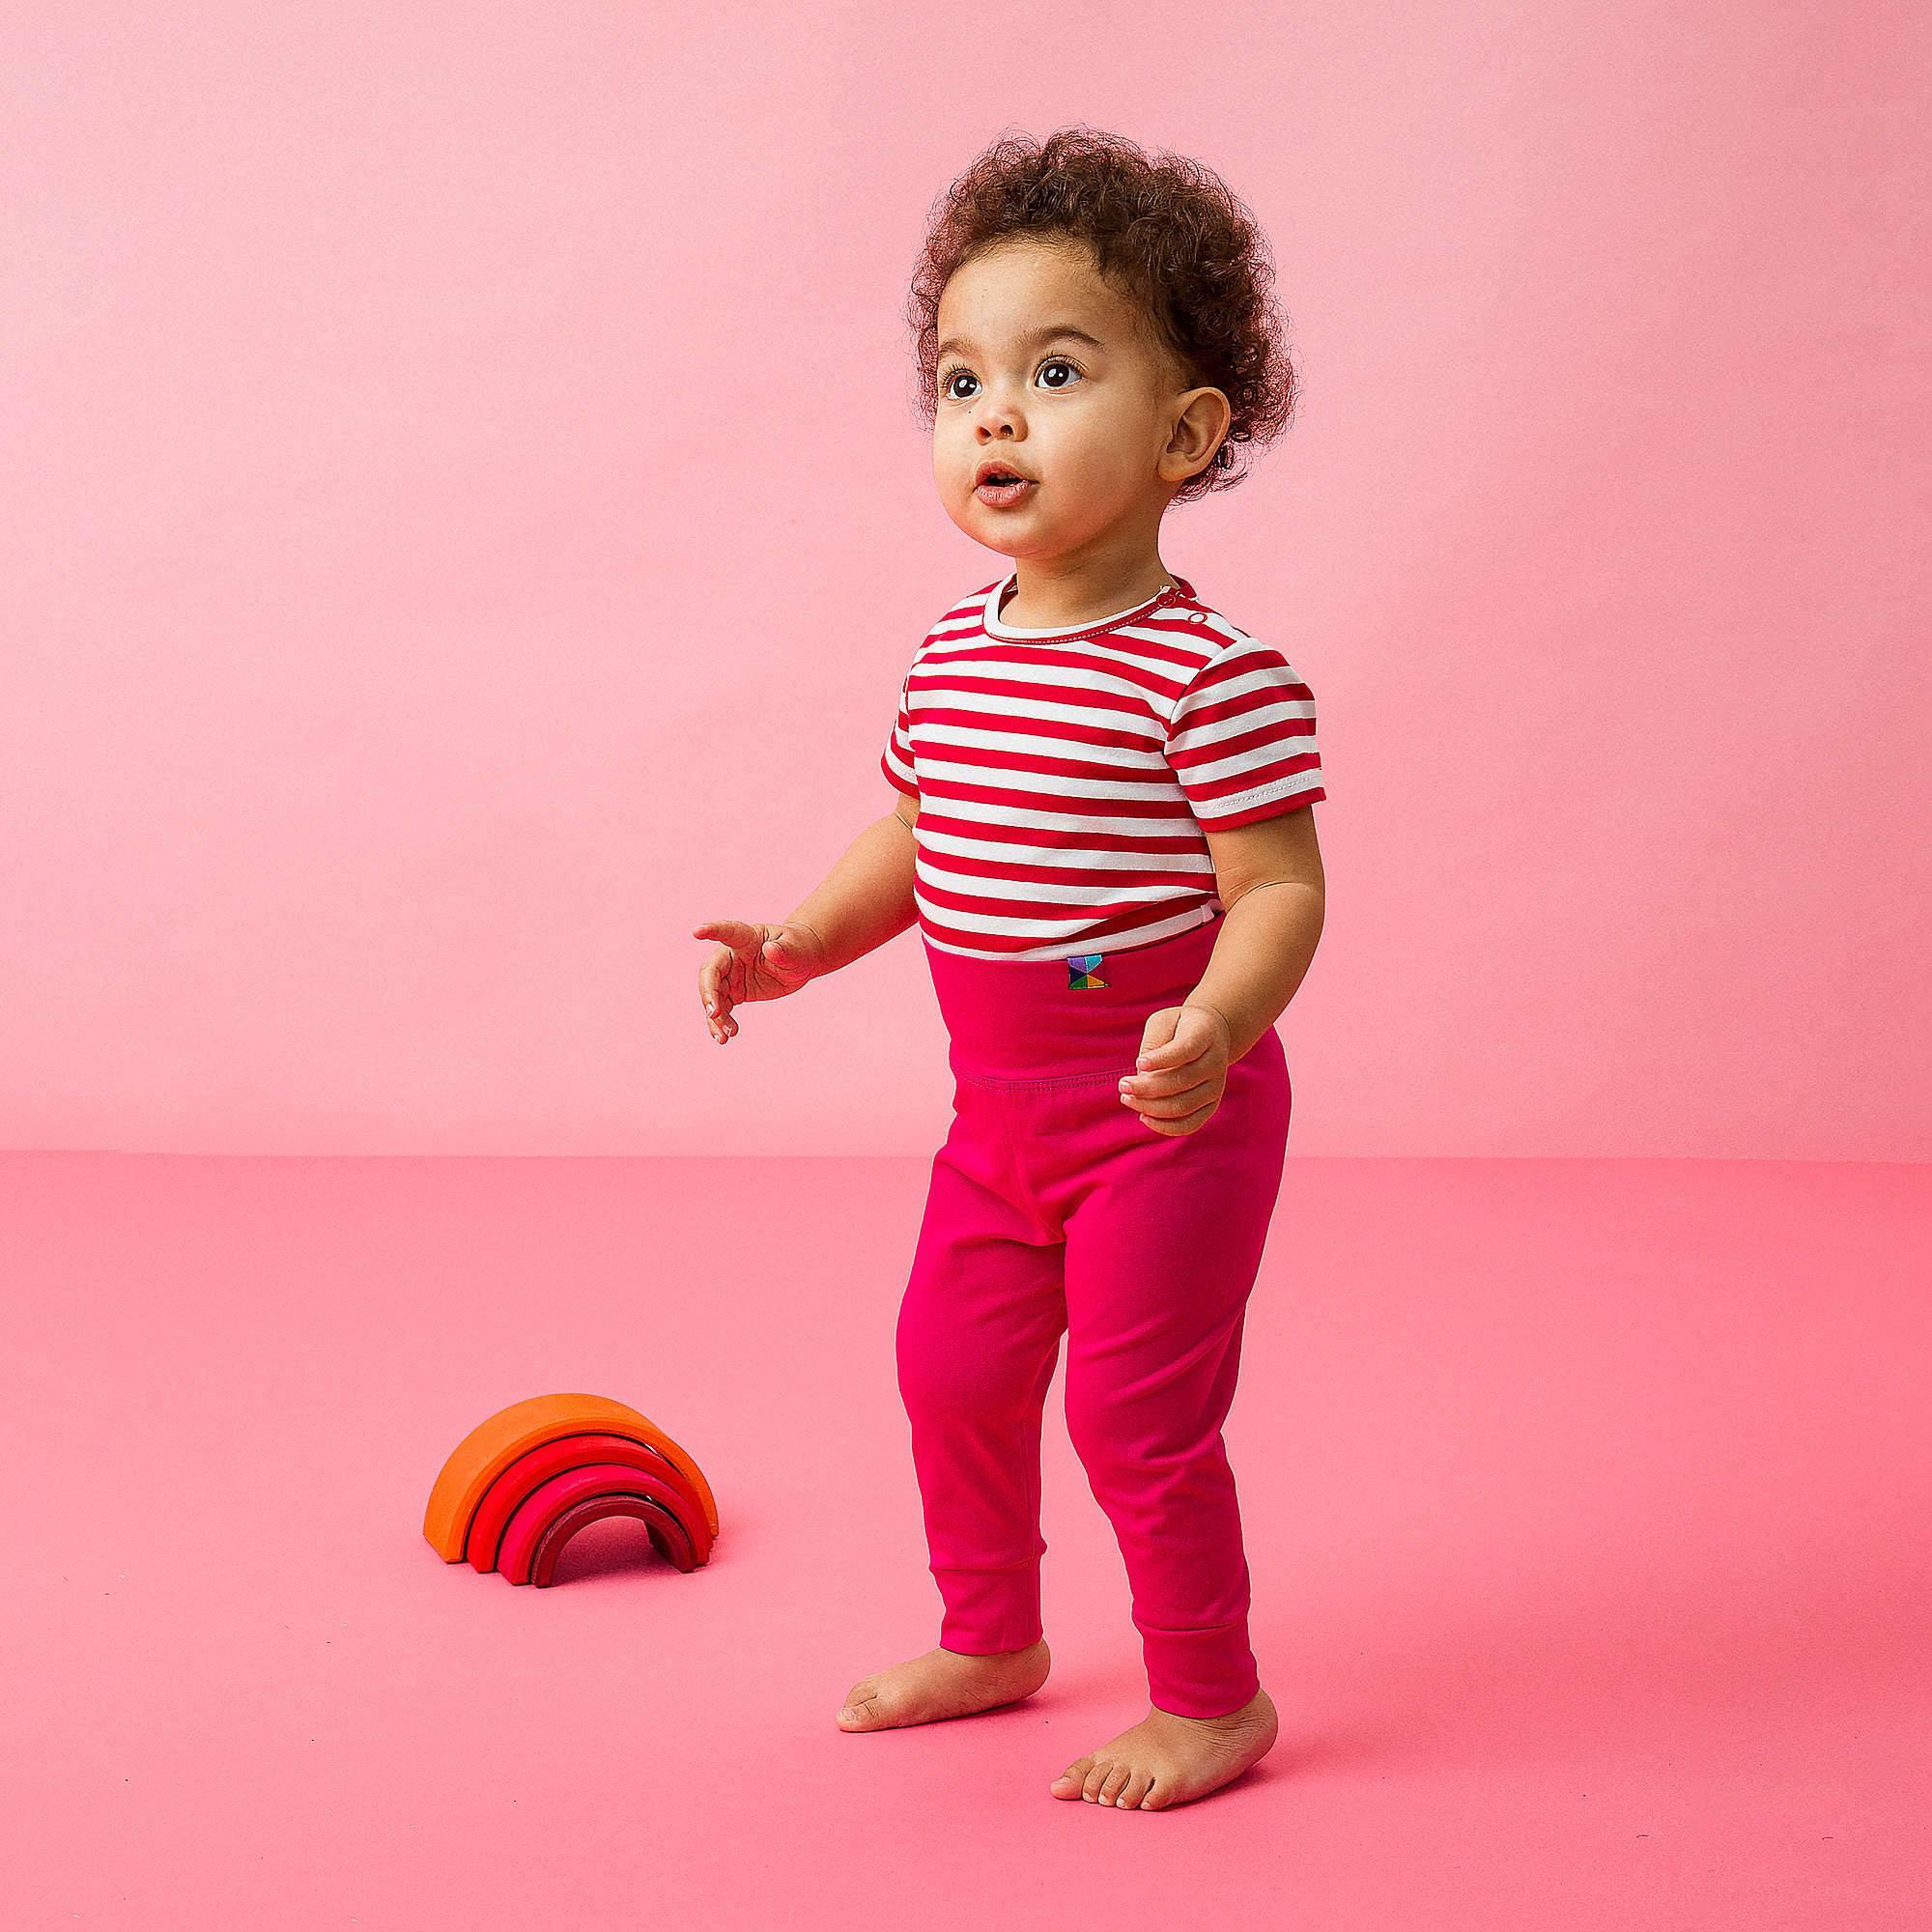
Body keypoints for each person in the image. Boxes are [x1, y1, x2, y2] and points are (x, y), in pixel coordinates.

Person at [692, 127, 1327, 1812]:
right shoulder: (955, 649)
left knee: (1134, 1418)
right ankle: (993, 1638)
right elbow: (915, 827)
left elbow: (1279, 887)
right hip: (995, 1113)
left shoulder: (1214, 674)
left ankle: (1210, 1698)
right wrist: (804, 941)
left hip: (1158, 1108)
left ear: (1186, 433)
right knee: (949, 1368)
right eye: (962, 378)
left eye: (1055, 370)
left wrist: (1218, 1018)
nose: (995, 414)